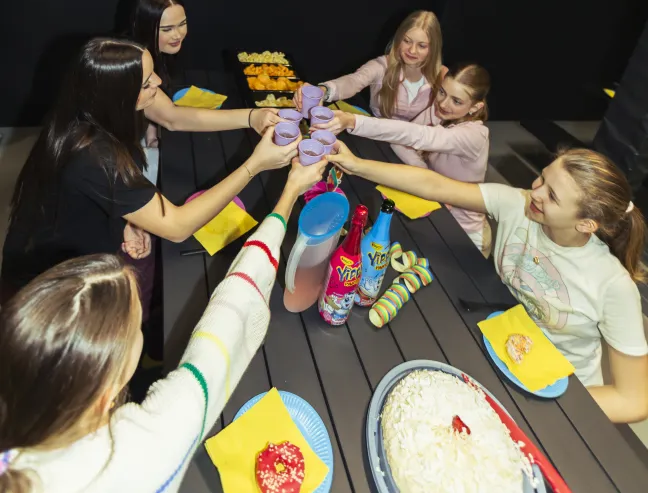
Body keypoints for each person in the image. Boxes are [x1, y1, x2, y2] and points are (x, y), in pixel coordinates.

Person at [0, 156, 326, 493]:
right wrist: (289, 193)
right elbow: (230, 319)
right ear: (106, 394)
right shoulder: (139, 451)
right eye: (135, 324)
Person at [329, 141, 648, 424]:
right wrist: (356, 164)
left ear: (586, 223)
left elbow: (633, 400)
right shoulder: (519, 205)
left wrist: (554, 404)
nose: (534, 191)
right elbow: (435, 185)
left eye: (551, 196)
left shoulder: (613, 285)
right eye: (543, 177)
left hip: (555, 394)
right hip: (496, 348)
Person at [1, 38, 297, 304]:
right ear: (117, 96)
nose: (157, 81)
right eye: (145, 83)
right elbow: (178, 227)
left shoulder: (84, 113)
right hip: (51, 283)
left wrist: (127, 220)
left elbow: (89, 193)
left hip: (66, 243)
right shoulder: (95, 155)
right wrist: (255, 164)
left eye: (152, 72)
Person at [318, 63, 492, 254]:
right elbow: (401, 141)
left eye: (456, 101)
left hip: (462, 231)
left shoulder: (475, 135)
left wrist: (353, 121)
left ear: (476, 107)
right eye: (442, 92)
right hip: (435, 205)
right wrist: (425, 174)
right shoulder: (440, 111)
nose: (443, 103)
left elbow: (416, 135)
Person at [295, 10, 446, 165]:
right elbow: (353, 81)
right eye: (407, 41)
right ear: (398, 38)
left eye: (421, 45)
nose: (412, 50)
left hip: (418, 149)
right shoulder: (381, 66)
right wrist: (324, 91)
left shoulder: (442, 76)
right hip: (377, 144)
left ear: (433, 48)